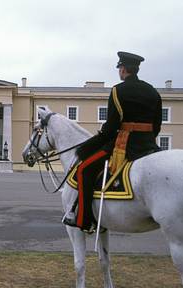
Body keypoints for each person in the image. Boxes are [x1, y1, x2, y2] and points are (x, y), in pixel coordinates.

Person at [63, 51, 162, 232]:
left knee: (84, 169)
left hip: (124, 146)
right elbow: (157, 126)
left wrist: (87, 147)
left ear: (123, 69)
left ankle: (85, 220)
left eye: (120, 69)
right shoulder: (153, 92)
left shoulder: (118, 91)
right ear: (136, 69)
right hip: (149, 145)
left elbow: (110, 129)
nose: (119, 72)